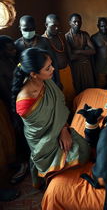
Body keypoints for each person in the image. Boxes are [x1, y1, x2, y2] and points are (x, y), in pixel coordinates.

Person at [11, 47, 90, 187]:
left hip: (58, 128)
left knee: (84, 149)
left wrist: (64, 129)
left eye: (51, 65)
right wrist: (60, 129)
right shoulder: (24, 102)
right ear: (34, 74)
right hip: (44, 140)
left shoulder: (45, 81)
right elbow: (43, 127)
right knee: (75, 155)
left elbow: (59, 102)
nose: (53, 69)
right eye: (48, 68)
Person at [0, 35, 29, 184]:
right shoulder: (1, 66)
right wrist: (14, 106)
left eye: (13, 47)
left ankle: (29, 158)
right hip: (12, 103)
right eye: (9, 49)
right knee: (19, 132)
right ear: (2, 51)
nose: (13, 50)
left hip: (20, 100)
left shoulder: (12, 60)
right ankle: (24, 161)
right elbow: (6, 90)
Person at [15, 15, 60, 87]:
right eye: (26, 29)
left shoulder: (44, 41)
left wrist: (58, 81)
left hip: (47, 80)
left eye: (31, 29)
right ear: (20, 28)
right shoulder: (17, 45)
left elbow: (54, 61)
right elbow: (17, 68)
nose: (29, 32)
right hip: (28, 84)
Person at [43, 14, 75, 108]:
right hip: (54, 74)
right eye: (53, 26)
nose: (57, 28)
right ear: (46, 25)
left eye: (58, 25)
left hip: (67, 71)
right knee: (60, 99)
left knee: (71, 96)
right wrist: (56, 79)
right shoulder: (43, 40)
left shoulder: (61, 37)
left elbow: (68, 54)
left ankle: (73, 117)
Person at [65, 13, 95, 93]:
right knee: (78, 88)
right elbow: (71, 57)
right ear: (70, 23)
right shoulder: (67, 37)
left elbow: (93, 51)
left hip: (86, 66)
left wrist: (78, 51)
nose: (77, 24)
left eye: (79, 21)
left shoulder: (85, 34)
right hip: (75, 67)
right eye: (74, 22)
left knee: (89, 87)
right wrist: (85, 53)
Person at [91, 18, 107, 89]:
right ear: (98, 26)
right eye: (102, 26)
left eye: (105, 26)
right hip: (100, 66)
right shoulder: (94, 37)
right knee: (101, 85)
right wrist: (94, 68)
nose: (104, 28)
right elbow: (92, 55)